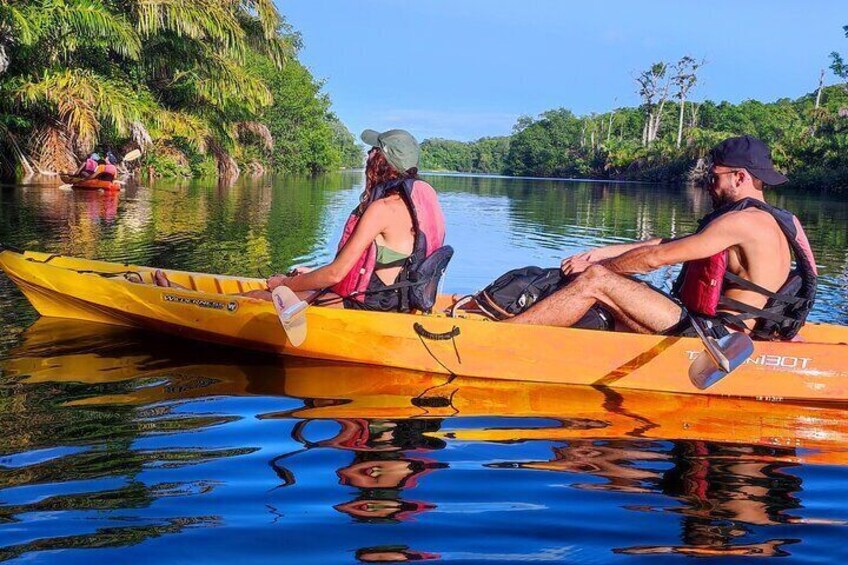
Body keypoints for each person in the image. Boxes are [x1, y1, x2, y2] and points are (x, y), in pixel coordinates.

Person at [507, 135, 817, 341]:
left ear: (739, 176)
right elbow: (665, 244)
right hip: (740, 333)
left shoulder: (739, 222)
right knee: (608, 298)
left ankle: (503, 338)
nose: (709, 184)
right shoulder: (785, 222)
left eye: (714, 176)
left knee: (596, 283)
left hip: (717, 336)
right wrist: (599, 254)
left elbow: (656, 259)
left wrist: (599, 271)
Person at [153, 129, 447, 313]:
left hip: (370, 306)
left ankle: (185, 302)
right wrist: (308, 274)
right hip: (397, 301)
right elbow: (379, 267)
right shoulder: (423, 202)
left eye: (372, 151)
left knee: (270, 295)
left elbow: (335, 275)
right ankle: (189, 296)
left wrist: (286, 282)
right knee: (285, 289)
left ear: (381, 161)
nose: (368, 156)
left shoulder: (382, 209)